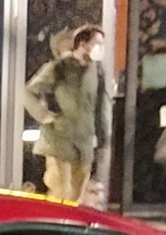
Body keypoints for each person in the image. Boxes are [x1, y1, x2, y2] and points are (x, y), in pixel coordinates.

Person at [22, 25, 109, 205]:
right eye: (97, 43)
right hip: (59, 139)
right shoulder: (59, 68)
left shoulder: (97, 72)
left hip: (84, 142)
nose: (100, 48)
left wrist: (103, 140)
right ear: (83, 44)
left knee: (76, 195)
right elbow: (28, 92)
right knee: (61, 191)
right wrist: (44, 115)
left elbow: (101, 108)